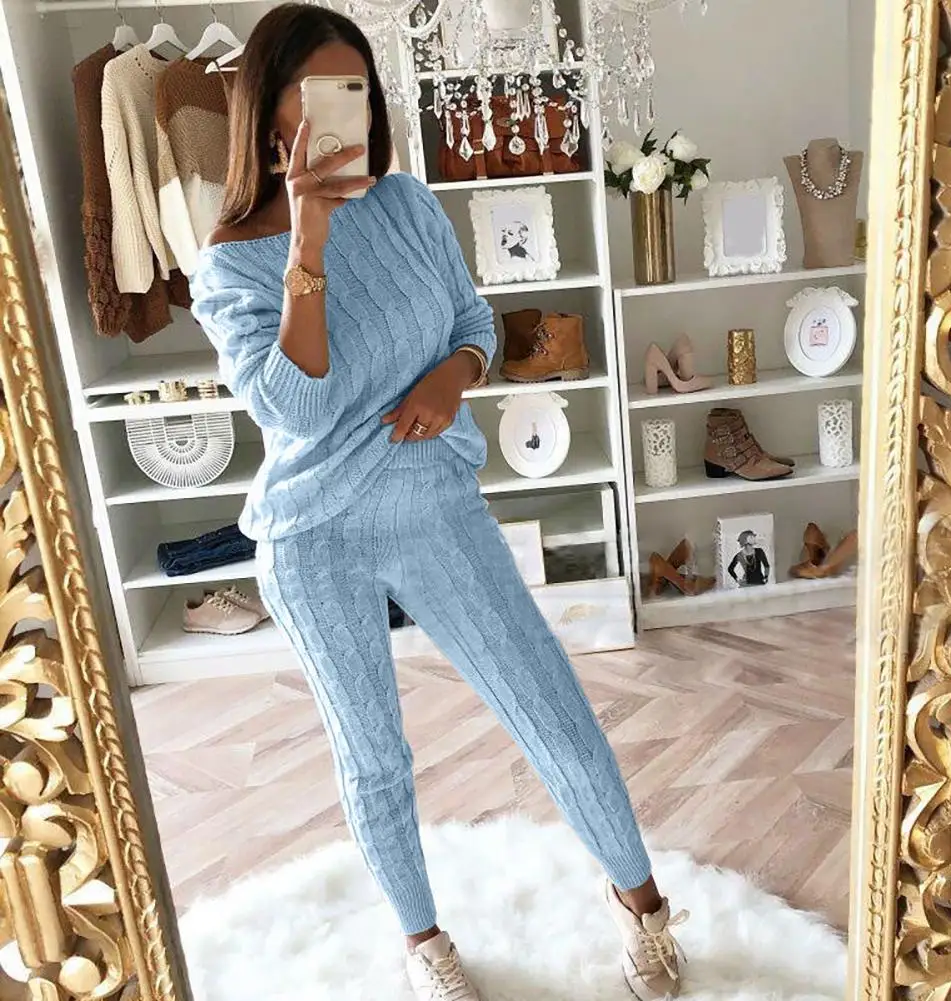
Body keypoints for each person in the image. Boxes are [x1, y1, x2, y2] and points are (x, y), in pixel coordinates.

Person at [191, 6, 685, 998]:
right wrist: (307, 242)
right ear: (266, 108)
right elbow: (296, 407)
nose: (343, 112)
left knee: (551, 707)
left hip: (434, 500)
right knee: (373, 754)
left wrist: (452, 379)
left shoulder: (409, 202)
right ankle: (424, 942)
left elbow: (473, 322)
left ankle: (642, 906)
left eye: (356, 89)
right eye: (317, 91)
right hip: (314, 531)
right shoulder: (229, 261)